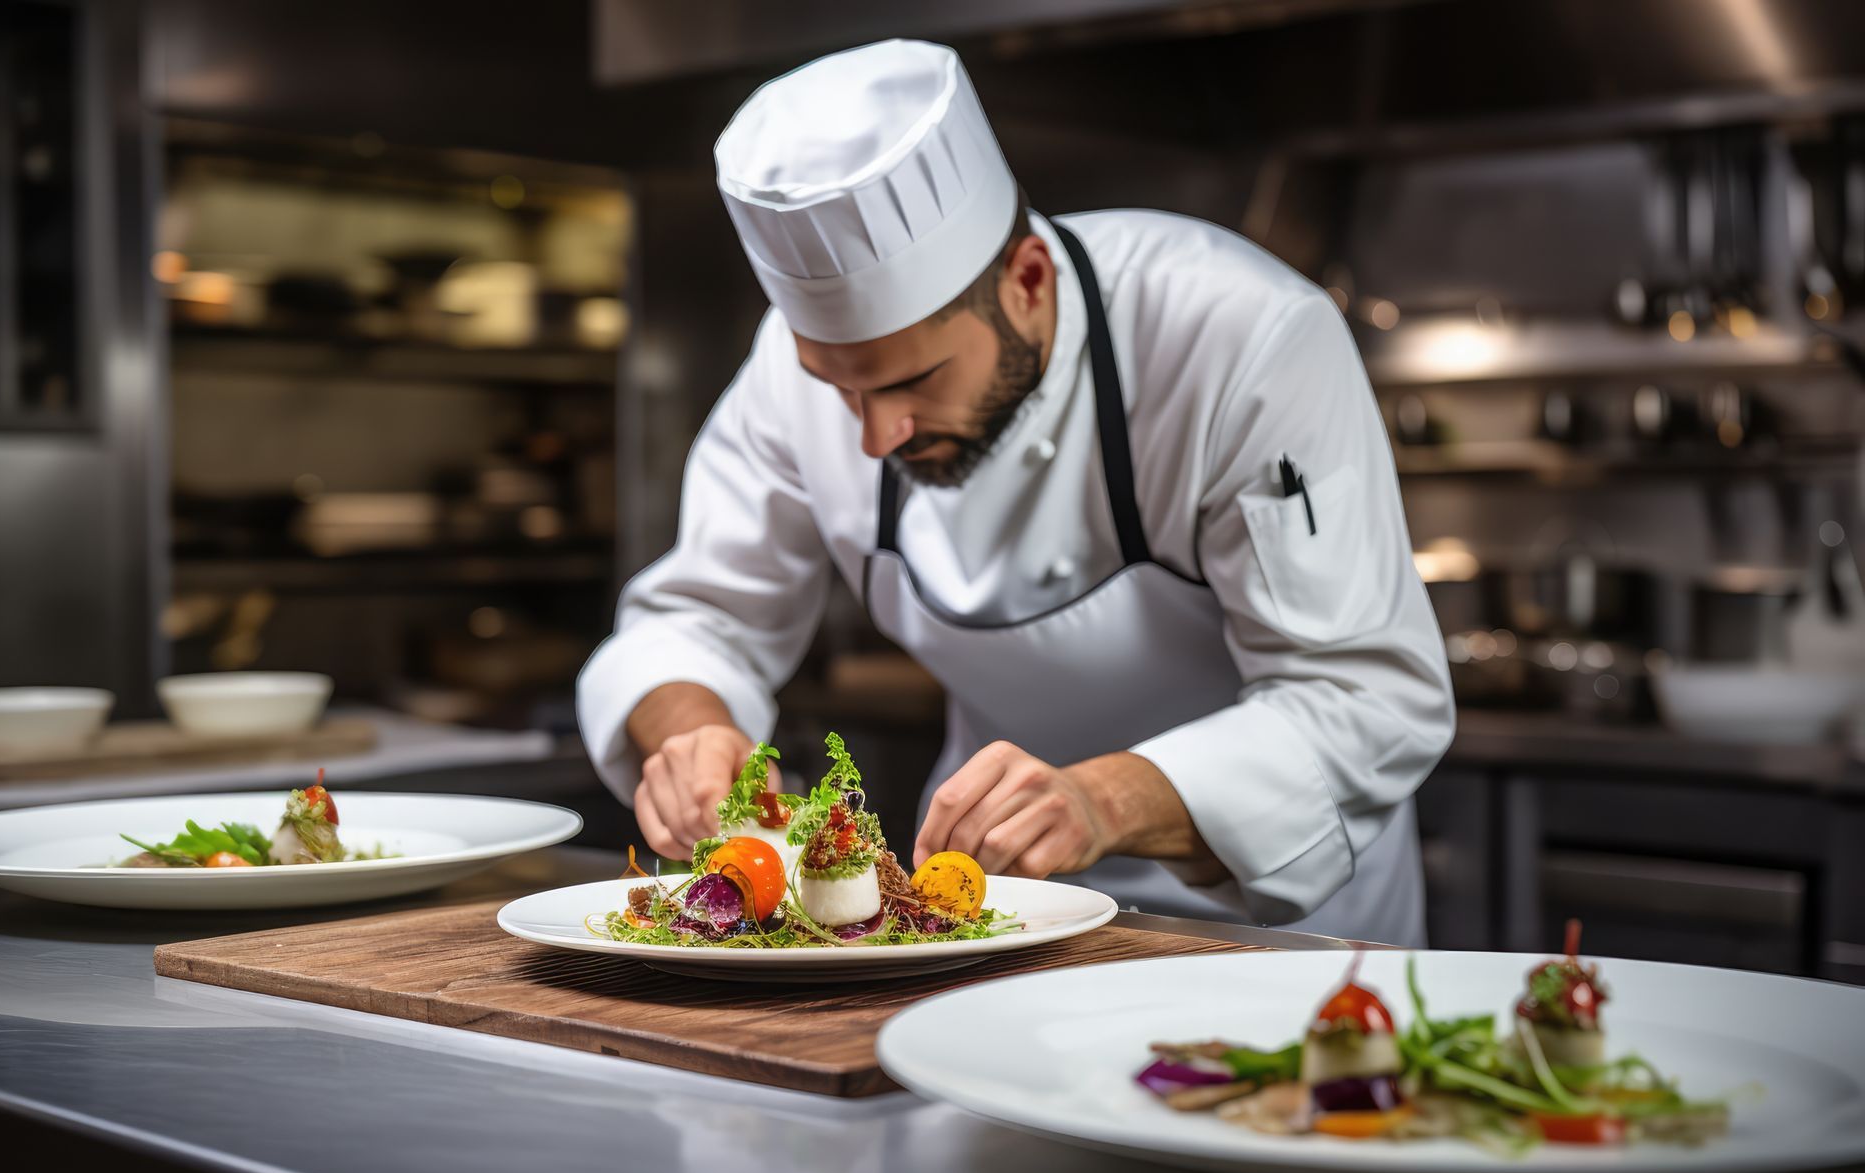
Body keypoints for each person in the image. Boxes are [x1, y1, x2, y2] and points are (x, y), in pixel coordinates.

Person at [579, 39, 1453, 945]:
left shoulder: (1239, 337)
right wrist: (690, 735)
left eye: (912, 382)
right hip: (987, 905)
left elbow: (1367, 698)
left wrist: (1102, 799)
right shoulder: (790, 368)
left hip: (1277, 923)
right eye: (840, 389)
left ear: (1028, 283)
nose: (874, 435)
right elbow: (698, 620)